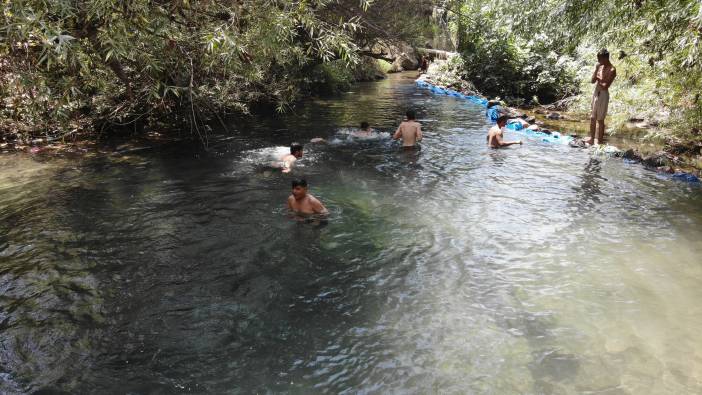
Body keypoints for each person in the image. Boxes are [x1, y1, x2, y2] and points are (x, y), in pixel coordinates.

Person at [588, 49, 617, 146]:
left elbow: (605, 86)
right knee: (592, 117)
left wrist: (599, 77)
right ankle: (592, 139)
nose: (598, 61)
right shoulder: (599, 67)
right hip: (596, 92)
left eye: (599, 59)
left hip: (603, 94)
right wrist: (596, 70)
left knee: (600, 119)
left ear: (605, 58)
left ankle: (599, 142)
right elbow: (592, 81)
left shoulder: (612, 69)